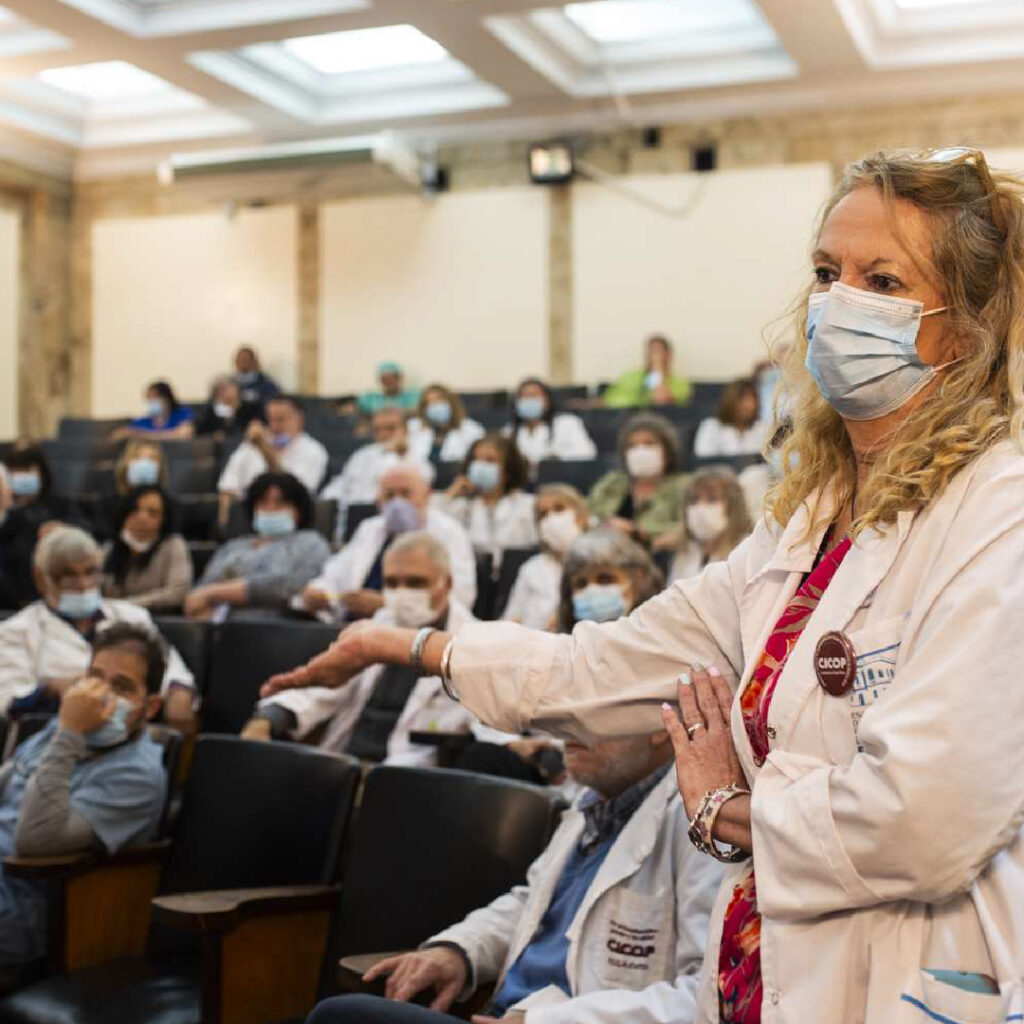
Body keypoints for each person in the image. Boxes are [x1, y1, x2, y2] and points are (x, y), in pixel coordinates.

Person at [265, 148, 1024, 1024]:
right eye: (826, 272)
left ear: (962, 327)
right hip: (767, 974)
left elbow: (921, 822)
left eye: (881, 279)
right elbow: (607, 669)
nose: (838, 301)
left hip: (909, 976)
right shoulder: (807, 524)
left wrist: (723, 809)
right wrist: (413, 645)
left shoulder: (997, 515)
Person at [306, 728, 721, 1024]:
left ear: (659, 725)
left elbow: (708, 999)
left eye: (595, 709)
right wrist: (460, 952)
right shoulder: (594, 801)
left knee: (342, 1017)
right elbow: (530, 901)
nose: (564, 725)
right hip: (499, 1012)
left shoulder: (705, 828)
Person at [0, 623, 168, 970]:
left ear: (149, 707)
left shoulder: (137, 775)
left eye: (121, 686)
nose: (98, 697)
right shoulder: (64, 730)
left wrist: (70, 732)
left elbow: (35, 840)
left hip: (22, 914)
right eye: (94, 678)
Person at [242, 533, 477, 764]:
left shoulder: (474, 646)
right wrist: (268, 718)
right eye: (392, 583)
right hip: (346, 763)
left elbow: (486, 730)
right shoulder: (378, 624)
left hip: (411, 780)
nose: (402, 592)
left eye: (415, 583)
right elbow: (324, 689)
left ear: (446, 584)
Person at [0, 526, 196, 734]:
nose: (83, 584)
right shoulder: (15, 631)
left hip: (134, 732)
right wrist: (51, 689)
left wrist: (178, 692)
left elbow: (172, 668)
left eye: (90, 572)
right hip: (55, 733)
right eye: (68, 576)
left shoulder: (131, 615)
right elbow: (8, 701)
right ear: (41, 578)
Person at [303, 464, 475, 620]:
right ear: (379, 500)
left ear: (427, 496)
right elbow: (335, 575)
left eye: (406, 494)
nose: (397, 502)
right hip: (351, 626)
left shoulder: (449, 532)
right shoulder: (369, 529)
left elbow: (461, 596)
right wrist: (320, 592)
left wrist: (386, 604)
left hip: (413, 631)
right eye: (389, 495)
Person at [185, 472, 329, 620]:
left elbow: (287, 586)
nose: (270, 508)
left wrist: (214, 593)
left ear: (298, 509)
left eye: (280, 503)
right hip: (221, 628)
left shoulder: (311, 543)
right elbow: (200, 591)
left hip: (277, 631)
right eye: (263, 502)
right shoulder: (233, 546)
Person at [217, 395, 328, 528]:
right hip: (246, 521)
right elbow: (227, 487)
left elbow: (295, 494)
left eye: (280, 420)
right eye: (270, 420)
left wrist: (265, 451)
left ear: (299, 420)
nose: (274, 427)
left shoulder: (313, 451)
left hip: (289, 526)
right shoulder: (249, 446)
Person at [0, 445, 83, 610]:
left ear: (41, 473)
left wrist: (64, 530)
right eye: (15, 471)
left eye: (27, 469)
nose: (21, 476)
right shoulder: (5, 515)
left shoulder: (61, 506)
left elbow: (87, 532)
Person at [587, 414, 688, 549]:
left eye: (649, 443)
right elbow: (586, 515)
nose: (640, 451)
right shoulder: (612, 483)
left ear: (667, 450)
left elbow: (688, 529)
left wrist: (636, 531)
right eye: (632, 446)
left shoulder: (684, 486)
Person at [502, 485, 590, 631]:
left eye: (559, 509)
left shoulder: (604, 561)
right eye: (543, 514)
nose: (551, 518)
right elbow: (511, 620)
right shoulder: (531, 568)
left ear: (580, 515)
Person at [436, 435, 537, 561]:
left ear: (508, 471)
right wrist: (451, 492)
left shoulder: (527, 506)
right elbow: (431, 524)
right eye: (476, 460)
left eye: (490, 460)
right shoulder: (461, 506)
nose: (481, 466)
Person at [321, 407, 434, 515]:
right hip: (352, 512)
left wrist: (396, 454)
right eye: (377, 430)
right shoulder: (362, 454)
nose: (383, 434)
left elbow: (420, 488)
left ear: (405, 430)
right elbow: (341, 484)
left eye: (390, 428)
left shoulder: (414, 457)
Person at [101, 486, 193, 611]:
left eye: (152, 513)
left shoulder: (173, 545)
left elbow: (177, 593)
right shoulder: (110, 548)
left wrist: (126, 605)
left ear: (164, 520)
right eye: (135, 510)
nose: (142, 518)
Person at [669, 469, 752, 582]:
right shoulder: (684, 553)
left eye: (711, 499)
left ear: (733, 506)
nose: (700, 507)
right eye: (693, 500)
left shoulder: (748, 551)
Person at [90, 439, 171, 542]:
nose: (144, 463)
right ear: (126, 462)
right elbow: (101, 531)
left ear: (160, 466)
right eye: (137, 457)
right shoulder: (109, 499)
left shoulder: (167, 503)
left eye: (151, 458)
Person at [506, 378, 597, 467]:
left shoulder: (567, 423)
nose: (529, 400)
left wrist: (558, 457)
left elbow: (587, 452)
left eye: (533, 395)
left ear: (547, 400)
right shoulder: (509, 431)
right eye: (524, 396)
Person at [602, 335, 692, 408]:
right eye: (651, 352)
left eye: (658, 351)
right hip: (621, 420)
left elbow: (660, 400)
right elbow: (606, 400)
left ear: (668, 356)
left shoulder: (680, 384)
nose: (652, 356)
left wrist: (658, 367)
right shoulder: (631, 376)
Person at [407, 385, 485, 464]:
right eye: (428, 403)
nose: (434, 405)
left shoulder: (472, 429)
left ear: (451, 402)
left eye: (438, 400)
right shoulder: (413, 427)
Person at [692, 379, 768, 459]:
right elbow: (703, 461)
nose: (749, 405)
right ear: (730, 400)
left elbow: (770, 459)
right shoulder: (711, 427)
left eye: (752, 398)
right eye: (743, 398)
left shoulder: (761, 429)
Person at [112, 381, 194, 440]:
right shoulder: (144, 421)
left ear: (167, 398)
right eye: (149, 399)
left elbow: (183, 434)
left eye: (155, 398)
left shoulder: (182, 414)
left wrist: (142, 435)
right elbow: (119, 434)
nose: (152, 402)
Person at [195, 374, 262, 438]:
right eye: (221, 390)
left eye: (228, 387)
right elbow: (200, 430)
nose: (226, 392)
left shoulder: (250, 407)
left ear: (237, 388)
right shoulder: (211, 410)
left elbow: (256, 425)